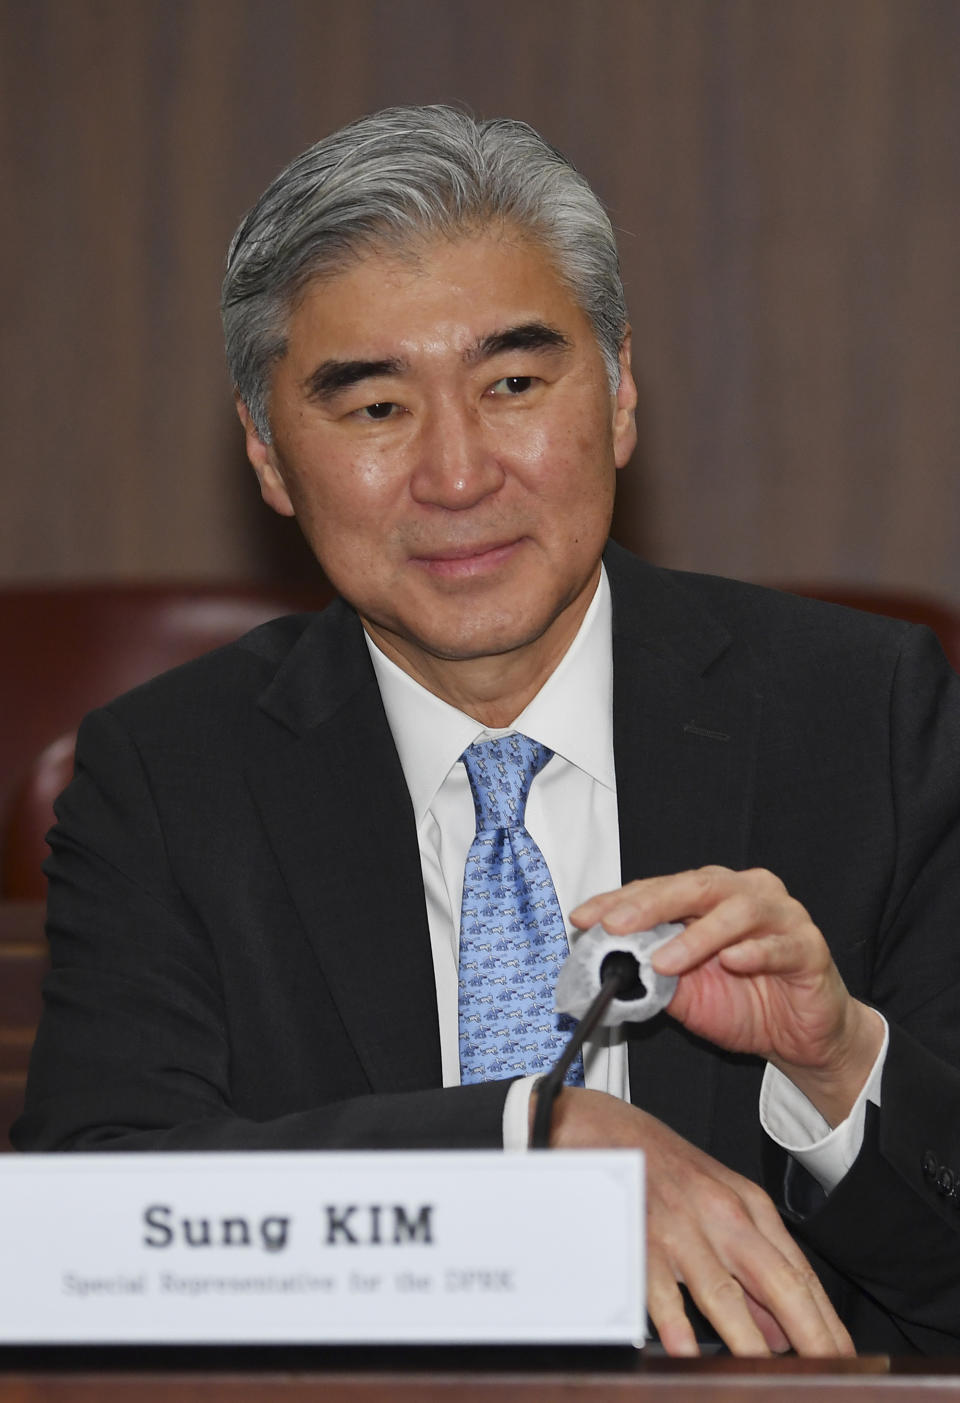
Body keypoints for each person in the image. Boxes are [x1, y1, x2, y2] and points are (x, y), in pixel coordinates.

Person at [15, 105, 960, 1357]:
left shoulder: (864, 714)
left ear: (620, 395)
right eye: (373, 410)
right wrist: (528, 1142)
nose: (457, 475)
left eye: (513, 383)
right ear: (269, 458)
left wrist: (842, 1073)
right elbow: (95, 1239)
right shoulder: (168, 778)